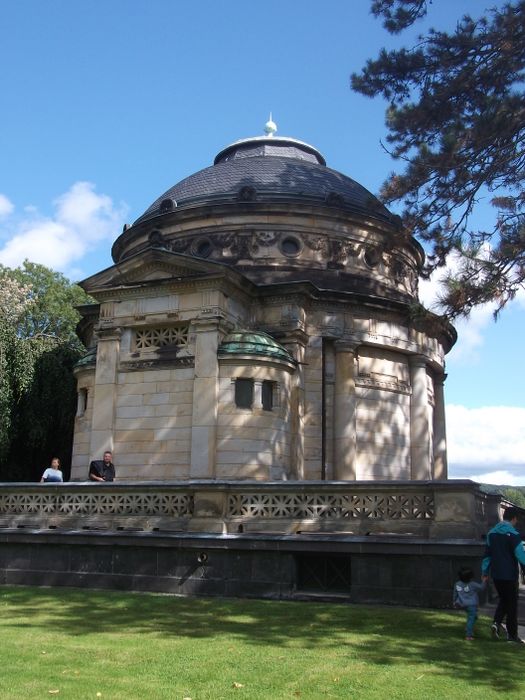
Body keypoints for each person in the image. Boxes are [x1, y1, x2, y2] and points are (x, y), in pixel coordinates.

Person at [482, 506, 525, 644]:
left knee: (504, 600)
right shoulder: (514, 535)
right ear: (514, 519)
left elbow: (487, 556)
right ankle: (512, 636)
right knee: (512, 604)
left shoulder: (491, 534)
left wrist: (484, 572)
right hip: (510, 575)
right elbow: (520, 556)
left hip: (496, 574)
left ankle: (496, 623)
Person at [453, 566, 486, 640]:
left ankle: (469, 627)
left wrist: (454, 602)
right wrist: (484, 581)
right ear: (470, 577)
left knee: (473, 616)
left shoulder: (457, 584)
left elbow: (455, 594)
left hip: (462, 604)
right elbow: (481, 588)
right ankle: (468, 635)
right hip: (472, 605)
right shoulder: (472, 584)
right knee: (471, 619)